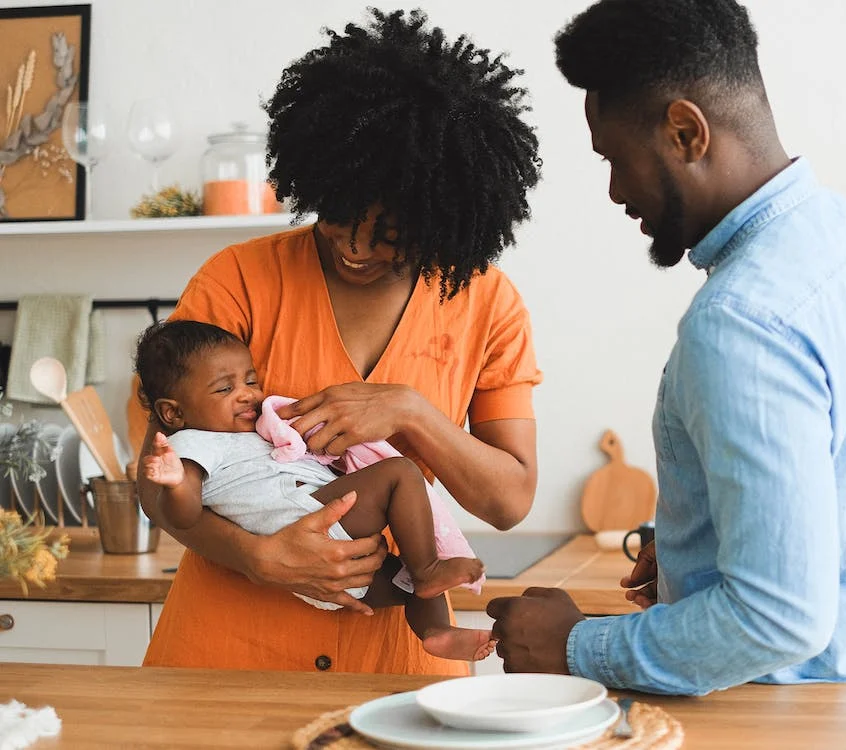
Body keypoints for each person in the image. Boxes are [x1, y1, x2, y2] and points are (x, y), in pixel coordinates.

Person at [487, 0, 846, 694]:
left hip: (782, 726)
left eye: (616, 159)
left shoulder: (739, 320)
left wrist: (577, 645)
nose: (614, 192)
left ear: (684, 132)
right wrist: (693, 538)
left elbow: (775, 619)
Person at [129, 8, 543, 675]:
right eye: (338, 217)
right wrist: (254, 557)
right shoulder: (237, 280)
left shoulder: (488, 304)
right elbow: (154, 476)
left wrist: (409, 411)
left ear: (442, 214)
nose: (353, 248)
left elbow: (508, 498)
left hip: (401, 670)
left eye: (387, 234)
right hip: (229, 660)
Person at [134, 320, 495, 662]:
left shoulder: (259, 430)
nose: (248, 395)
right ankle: (429, 567)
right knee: (399, 473)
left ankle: (436, 632)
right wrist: (175, 483)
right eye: (225, 388)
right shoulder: (191, 444)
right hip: (308, 521)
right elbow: (184, 515)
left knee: (408, 582)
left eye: (250, 380)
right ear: (173, 413)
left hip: (323, 559)